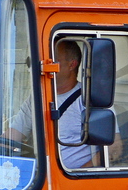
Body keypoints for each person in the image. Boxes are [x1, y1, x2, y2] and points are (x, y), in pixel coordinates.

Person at [8, 38, 92, 168]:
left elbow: (113, 149)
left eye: (53, 59)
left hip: (72, 181)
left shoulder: (89, 98)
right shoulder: (37, 98)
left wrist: (76, 177)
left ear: (72, 64)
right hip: (40, 177)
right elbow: (12, 136)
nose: (43, 65)